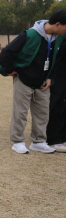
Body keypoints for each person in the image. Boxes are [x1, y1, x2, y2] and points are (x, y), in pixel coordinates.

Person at [0, 9, 66, 154]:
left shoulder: (58, 39)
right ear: (58, 24)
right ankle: (17, 141)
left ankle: (39, 142)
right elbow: (6, 53)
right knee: (20, 113)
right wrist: (10, 70)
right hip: (24, 80)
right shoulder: (30, 34)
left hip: (43, 83)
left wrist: (50, 77)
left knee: (42, 113)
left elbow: (55, 60)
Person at [45, 10, 66, 152]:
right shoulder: (61, 37)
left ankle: (63, 137)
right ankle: (53, 139)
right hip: (58, 76)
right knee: (57, 106)